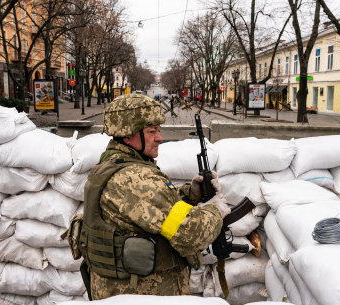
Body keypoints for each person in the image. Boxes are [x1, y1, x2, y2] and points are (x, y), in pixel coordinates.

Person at [80, 93, 229, 300]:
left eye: (158, 131)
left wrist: (190, 194)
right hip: (144, 294)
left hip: (123, 291)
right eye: (152, 131)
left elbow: (153, 210)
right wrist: (216, 210)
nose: (159, 137)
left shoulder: (111, 165)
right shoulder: (135, 179)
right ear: (128, 133)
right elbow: (191, 235)